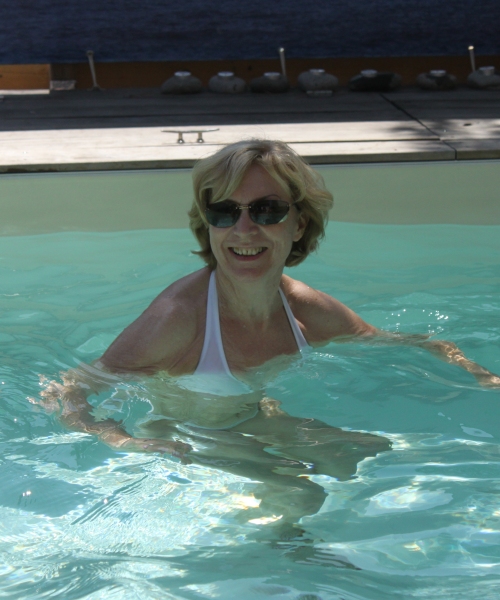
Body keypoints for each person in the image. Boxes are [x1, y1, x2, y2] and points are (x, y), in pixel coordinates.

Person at [40, 139, 500, 530]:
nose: (244, 229)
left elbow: (392, 341)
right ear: (208, 224)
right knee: (302, 494)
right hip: (185, 434)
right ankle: (278, 568)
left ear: (299, 223)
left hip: (249, 417)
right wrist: (123, 441)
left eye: (267, 210)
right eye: (225, 212)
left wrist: (475, 372)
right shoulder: (180, 317)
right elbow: (66, 390)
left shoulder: (302, 308)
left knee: (367, 453)